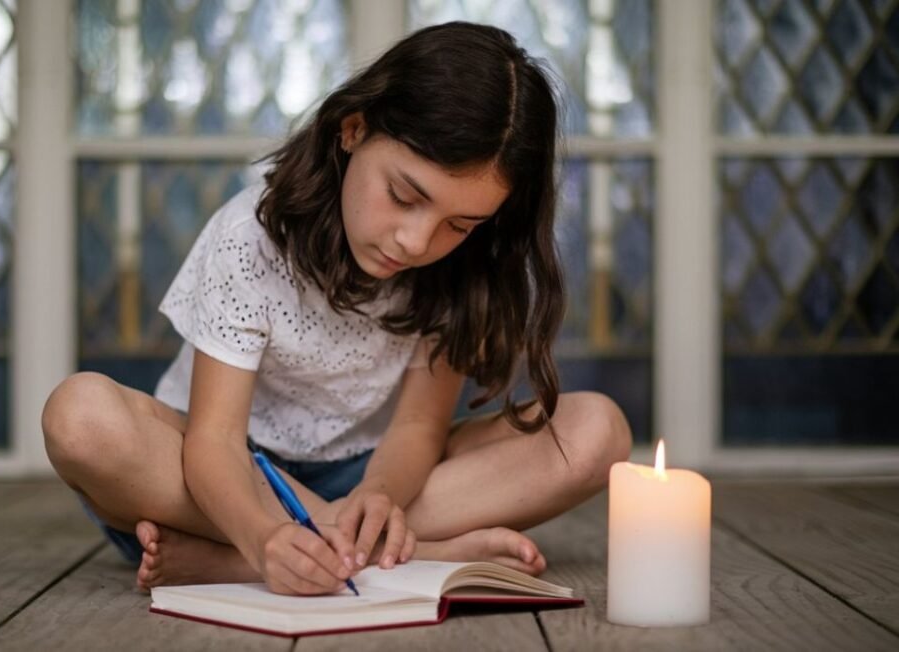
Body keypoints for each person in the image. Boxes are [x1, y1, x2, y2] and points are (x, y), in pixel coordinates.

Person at [42, 21, 631, 596]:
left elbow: (417, 427)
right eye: (404, 196)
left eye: (459, 224)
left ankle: (261, 559)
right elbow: (214, 442)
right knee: (81, 416)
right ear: (353, 130)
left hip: (366, 477)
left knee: (595, 431)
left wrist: (381, 494)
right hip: (221, 483)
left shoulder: (458, 267)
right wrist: (261, 536)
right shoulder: (249, 239)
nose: (416, 242)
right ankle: (407, 556)